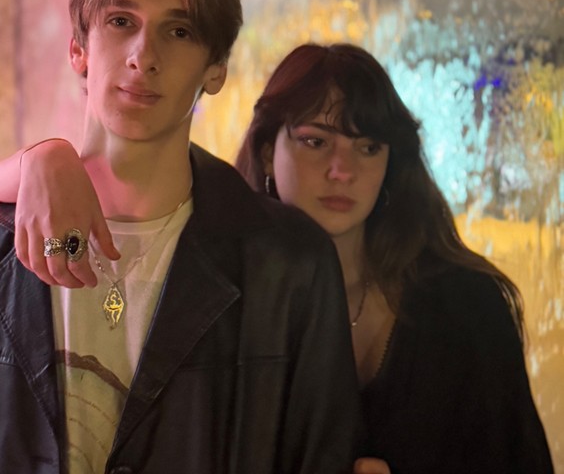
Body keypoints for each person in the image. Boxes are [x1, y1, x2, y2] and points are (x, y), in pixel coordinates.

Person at [1, 38, 554, 473]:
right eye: (316, 141)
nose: (342, 170)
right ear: (269, 150)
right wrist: (41, 159)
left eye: (368, 147)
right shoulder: (211, 287)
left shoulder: (466, 309)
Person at [0, 0, 362, 474]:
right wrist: (35, 159)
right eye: (121, 21)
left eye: (179, 31)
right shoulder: (7, 237)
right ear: (78, 48)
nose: (143, 56)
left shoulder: (290, 264)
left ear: (215, 69)